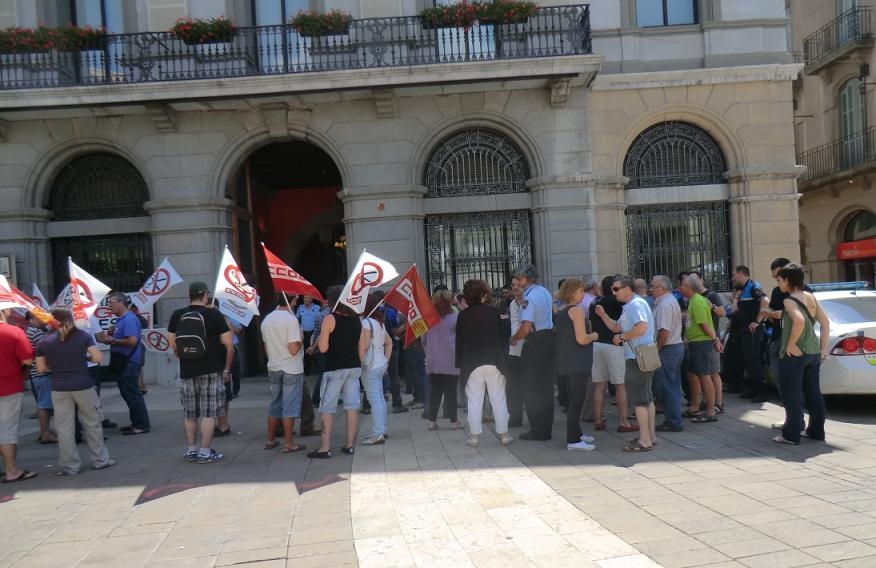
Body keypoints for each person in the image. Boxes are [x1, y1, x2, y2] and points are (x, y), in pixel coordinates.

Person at [35, 308, 115, 475]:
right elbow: (98, 358)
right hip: (83, 385)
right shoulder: (82, 336)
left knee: (64, 428)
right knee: (92, 423)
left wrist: (57, 365)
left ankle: (70, 466)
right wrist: (84, 358)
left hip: (59, 388)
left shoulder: (44, 342)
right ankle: (101, 460)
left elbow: (41, 369)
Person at [167, 282, 234, 464]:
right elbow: (229, 344)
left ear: (189, 295)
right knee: (209, 412)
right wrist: (226, 369)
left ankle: (191, 451)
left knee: (189, 413)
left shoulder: (177, 315)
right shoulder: (214, 314)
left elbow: (172, 345)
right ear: (205, 294)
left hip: (187, 370)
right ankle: (205, 452)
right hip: (212, 369)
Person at [773, 263, 829, 445]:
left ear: (788, 280)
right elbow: (825, 322)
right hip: (813, 352)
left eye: (780, 280)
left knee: (792, 394)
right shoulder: (810, 297)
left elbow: (798, 321)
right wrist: (823, 348)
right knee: (814, 393)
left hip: (796, 354)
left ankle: (790, 434)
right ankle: (816, 431)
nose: (778, 283)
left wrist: (790, 344)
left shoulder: (789, 300)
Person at [308, 285, 366, 459]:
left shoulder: (330, 319)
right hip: (354, 367)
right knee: (352, 407)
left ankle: (324, 448)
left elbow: (324, 348)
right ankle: (349, 445)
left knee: (327, 408)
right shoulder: (358, 321)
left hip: (334, 368)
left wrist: (318, 344)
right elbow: (362, 351)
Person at [603, 276, 657, 452]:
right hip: (644, 354)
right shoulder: (630, 306)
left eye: (616, 289)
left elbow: (641, 327)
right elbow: (616, 327)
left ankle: (645, 440)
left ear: (627, 288)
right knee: (647, 398)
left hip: (637, 357)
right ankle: (650, 436)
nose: (613, 292)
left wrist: (622, 337)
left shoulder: (635, 305)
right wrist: (603, 315)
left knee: (640, 400)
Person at [456, 279, 512, 447]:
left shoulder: (463, 316)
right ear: (484, 294)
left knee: (474, 400)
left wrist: (459, 363)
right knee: (499, 399)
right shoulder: (494, 312)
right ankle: (504, 435)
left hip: (471, 363)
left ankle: (474, 437)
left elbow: (460, 342)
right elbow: (505, 335)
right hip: (494, 361)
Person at [510, 264, 555, 441]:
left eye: (519, 279)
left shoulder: (528, 298)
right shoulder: (544, 292)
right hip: (548, 339)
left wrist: (515, 338)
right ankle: (546, 427)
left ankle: (537, 428)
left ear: (526, 279)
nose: (518, 284)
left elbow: (526, 326)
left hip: (535, 342)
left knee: (529, 387)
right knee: (545, 386)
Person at [554, 279, 599, 451]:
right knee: (576, 402)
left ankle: (577, 433)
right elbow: (581, 338)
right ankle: (573, 440)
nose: (583, 295)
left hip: (567, 361)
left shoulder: (562, 311)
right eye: (581, 291)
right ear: (572, 292)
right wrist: (594, 335)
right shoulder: (577, 311)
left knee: (574, 400)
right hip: (578, 362)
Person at [260, 293, 306, 454]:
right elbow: (293, 349)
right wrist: (301, 339)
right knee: (290, 406)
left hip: (274, 365)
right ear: (292, 300)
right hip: (291, 368)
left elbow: (266, 348)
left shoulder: (267, 320)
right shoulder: (291, 320)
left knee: (275, 404)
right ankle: (289, 443)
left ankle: (270, 439)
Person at [99, 292, 150, 436]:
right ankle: (136, 422)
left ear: (121, 302)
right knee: (128, 393)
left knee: (132, 394)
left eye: (111, 302)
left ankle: (141, 425)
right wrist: (113, 334)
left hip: (129, 362)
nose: (109, 306)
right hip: (124, 361)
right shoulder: (121, 320)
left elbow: (132, 341)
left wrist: (113, 341)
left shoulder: (128, 319)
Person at [591, 275, 636, 434]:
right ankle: (623, 421)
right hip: (614, 345)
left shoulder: (595, 302)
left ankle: (598, 419)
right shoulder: (619, 303)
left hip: (596, 344)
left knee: (599, 384)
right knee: (620, 384)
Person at [0, 308, 38, 482]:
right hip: (8, 387)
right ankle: (11, 471)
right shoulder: (14, 331)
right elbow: (27, 360)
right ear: (6, 311)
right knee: (7, 429)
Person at [680, 275, 723, 423]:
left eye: (683, 285)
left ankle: (710, 411)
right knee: (693, 375)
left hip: (701, 343)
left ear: (689, 287)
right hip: (695, 343)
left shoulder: (697, 302)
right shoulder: (695, 300)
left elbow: (704, 325)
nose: (680, 287)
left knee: (705, 376)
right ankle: (695, 406)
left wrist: (715, 339)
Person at [725, 265, 770, 402]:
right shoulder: (741, 290)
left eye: (734, 275)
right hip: (743, 329)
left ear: (740, 274)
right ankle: (753, 388)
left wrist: (757, 321)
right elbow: (735, 310)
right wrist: (735, 299)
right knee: (747, 359)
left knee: (754, 360)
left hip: (753, 330)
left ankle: (762, 391)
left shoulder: (753, 286)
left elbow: (765, 300)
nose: (732, 278)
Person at [423, 290, 461, 431]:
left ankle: (432, 421)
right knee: (451, 391)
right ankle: (453, 421)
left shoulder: (428, 318)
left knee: (435, 391)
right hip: (451, 359)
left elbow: (424, 340)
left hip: (434, 359)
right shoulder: (456, 317)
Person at [651, 275, 685, 433]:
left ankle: (673, 421)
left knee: (667, 386)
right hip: (674, 347)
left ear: (663, 288)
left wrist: (656, 349)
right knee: (672, 385)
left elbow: (664, 332)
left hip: (668, 349)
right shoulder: (669, 301)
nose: (651, 289)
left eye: (654, 286)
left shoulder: (665, 304)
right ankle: (674, 418)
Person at [360, 294, 392, 445]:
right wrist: (386, 361)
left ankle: (378, 433)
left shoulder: (366, 322)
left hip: (370, 366)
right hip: (380, 364)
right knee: (379, 398)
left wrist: (360, 361)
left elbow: (364, 346)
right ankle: (382, 430)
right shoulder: (380, 323)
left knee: (375, 400)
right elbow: (389, 342)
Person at [25, 313, 56, 444]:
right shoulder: (36, 333)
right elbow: (46, 351)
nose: (44, 320)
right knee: (45, 404)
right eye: (41, 318)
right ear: (32, 319)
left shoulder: (33, 331)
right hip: (43, 373)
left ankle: (45, 430)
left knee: (43, 403)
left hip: (37, 373)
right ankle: (45, 432)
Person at [505, 277, 524, 428]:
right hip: (514, 349)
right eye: (513, 285)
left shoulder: (529, 302)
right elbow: (514, 324)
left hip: (528, 348)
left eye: (518, 285)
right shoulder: (512, 304)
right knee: (513, 386)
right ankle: (515, 416)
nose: (515, 288)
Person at [297, 295, 321, 375]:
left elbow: (320, 320)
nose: (304, 299)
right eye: (304, 298)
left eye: (306, 298)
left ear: (311, 299)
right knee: (305, 352)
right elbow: (296, 319)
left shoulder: (317, 308)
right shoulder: (301, 307)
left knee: (316, 352)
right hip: (304, 334)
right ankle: (307, 371)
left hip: (314, 333)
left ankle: (319, 371)